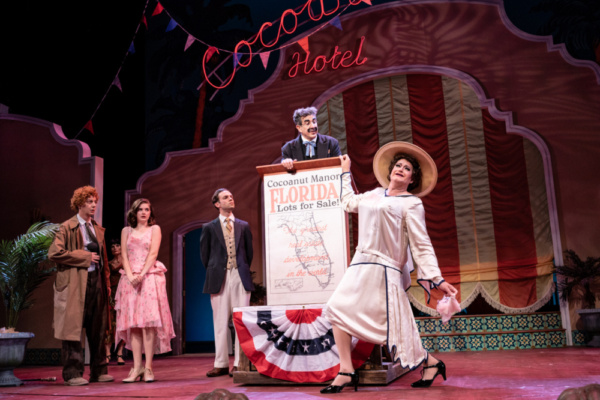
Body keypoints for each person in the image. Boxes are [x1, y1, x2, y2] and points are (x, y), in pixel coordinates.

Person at [321, 142, 458, 394]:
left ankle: (430, 362)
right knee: (335, 309)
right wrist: (344, 173)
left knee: (393, 328)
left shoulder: (411, 203)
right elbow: (348, 202)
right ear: (390, 171)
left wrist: (436, 278)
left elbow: (421, 243)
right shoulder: (373, 194)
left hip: (385, 270)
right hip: (360, 263)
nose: (401, 169)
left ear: (411, 179)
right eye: (398, 165)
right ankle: (346, 370)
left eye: (406, 169)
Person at [48, 186, 114, 386]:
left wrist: (107, 284)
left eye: (95, 201)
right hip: (74, 283)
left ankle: (99, 371)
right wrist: (84, 257)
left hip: (96, 282)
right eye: (89, 202)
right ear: (79, 204)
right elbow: (54, 254)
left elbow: (103, 260)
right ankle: (73, 373)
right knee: (72, 328)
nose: (93, 205)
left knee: (98, 328)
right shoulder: (66, 227)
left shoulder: (97, 228)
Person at [114, 198, 175, 383]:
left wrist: (141, 274)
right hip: (130, 278)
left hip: (149, 278)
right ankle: (136, 368)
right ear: (134, 212)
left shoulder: (154, 229)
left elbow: (153, 254)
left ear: (150, 212)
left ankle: (148, 368)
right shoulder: (126, 231)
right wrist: (131, 275)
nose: (143, 212)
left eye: (147, 209)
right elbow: (123, 255)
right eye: (140, 209)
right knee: (133, 325)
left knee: (148, 324)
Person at [200, 188, 254, 377]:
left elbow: (249, 253)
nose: (230, 199)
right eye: (225, 197)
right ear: (217, 204)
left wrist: (240, 269)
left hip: (239, 275)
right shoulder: (209, 227)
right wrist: (217, 270)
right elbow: (205, 256)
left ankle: (239, 362)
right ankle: (221, 363)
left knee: (240, 321)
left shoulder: (243, 226)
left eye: (231, 196)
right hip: (219, 278)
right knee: (220, 322)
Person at [105, 239, 126, 365]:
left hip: (124, 294)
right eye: (112, 246)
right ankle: (107, 353)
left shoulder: (127, 261)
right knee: (110, 324)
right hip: (112, 295)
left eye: (117, 245)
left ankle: (120, 352)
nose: (114, 248)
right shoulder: (109, 263)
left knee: (123, 323)